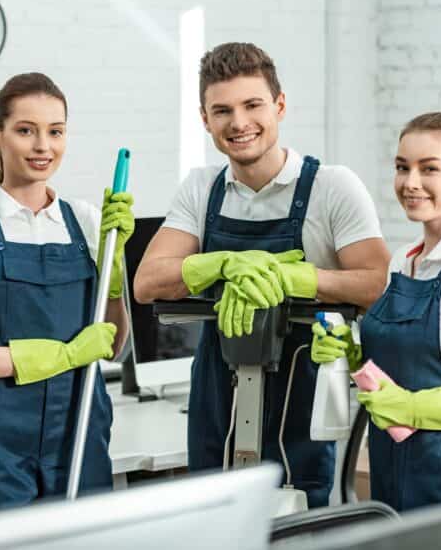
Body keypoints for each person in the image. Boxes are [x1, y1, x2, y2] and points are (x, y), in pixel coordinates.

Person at [134, 42, 390, 509]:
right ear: (205, 118)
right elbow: (148, 281)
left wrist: (294, 279)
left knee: (297, 519)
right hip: (217, 384)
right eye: (222, 110)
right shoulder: (202, 188)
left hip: (303, 385)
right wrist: (224, 264)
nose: (238, 122)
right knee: (211, 517)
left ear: (280, 105)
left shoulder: (331, 187)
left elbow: (375, 282)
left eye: (252, 105)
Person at [0, 73, 134, 518]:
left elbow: (113, 347)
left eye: (55, 132)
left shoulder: (86, 220)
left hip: (79, 433)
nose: (43, 146)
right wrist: (57, 356)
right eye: (26, 130)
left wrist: (115, 274)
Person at [312, 112, 441, 513]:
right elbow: (398, 367)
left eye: (429, 169)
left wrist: (414, 409)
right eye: (402, 167)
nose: (410, 183)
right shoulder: (402, 261)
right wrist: (351, 352)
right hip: (392, 477)